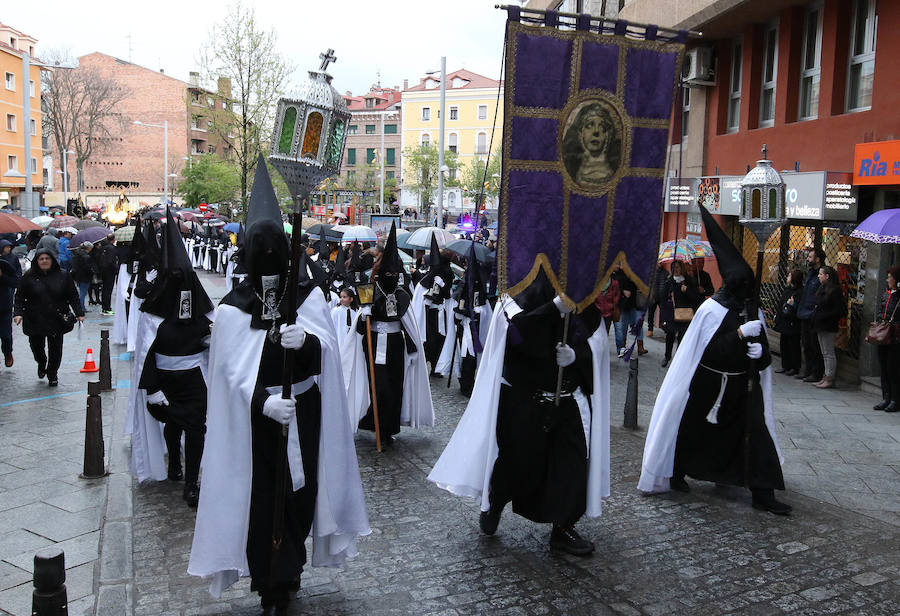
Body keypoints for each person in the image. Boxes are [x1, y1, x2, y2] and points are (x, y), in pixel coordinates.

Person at [188, 158, 369, 615]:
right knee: (261, 498)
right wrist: (260, 401)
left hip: (304, 413)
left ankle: (290, 571)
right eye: (260, 245)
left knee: (298, 494)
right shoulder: (232, 309)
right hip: (257, 427)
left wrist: (306, 341)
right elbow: (228, 375)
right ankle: (271, 583)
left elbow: (329, 351)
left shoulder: (307, 298)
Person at [428, 270, 610, 555]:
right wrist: (553, 309)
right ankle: (496, 502)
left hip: (569, 401)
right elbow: (515, 335)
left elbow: (595, 344)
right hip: (526, 401)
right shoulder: (516, 295)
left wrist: (577, 356)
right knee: (519, 466)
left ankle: (562, 528)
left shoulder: (585, 306)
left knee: (572, 465)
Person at [639, 206, 791, 516]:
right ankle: (677, 471)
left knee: (755, 433)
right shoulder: (711, 312)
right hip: (708, 385)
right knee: (693, 431)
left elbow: (761, 355)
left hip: (742, 386)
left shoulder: (753, 310)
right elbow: (703, 352)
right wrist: (737, 335)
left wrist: (759, 354)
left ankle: (763, 490)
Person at [134, 208, 213, 507]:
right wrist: (152, 389)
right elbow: (146, 354)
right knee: (173, 424)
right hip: (165, 380)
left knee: (196, 429)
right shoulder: (153, 314)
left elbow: (212, 339)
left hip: (193, 378)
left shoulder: (201, 308)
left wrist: (211, 339)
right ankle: (174, 465)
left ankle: (192, 481)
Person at [342, 224, 433, 447]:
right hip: (372, 346)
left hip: (394, 347)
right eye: (387, 273)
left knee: (393, 387)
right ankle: (373, 423)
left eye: (395, 273)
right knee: (376, 386)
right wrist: (364, 315)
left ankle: (388, 428)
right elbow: (359, 330)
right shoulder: (368, 291)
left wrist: (412, 350)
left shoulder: (401, 295)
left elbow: (408, 325)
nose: (391, 276)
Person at [12, 248, 85, 386]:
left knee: (56, 348)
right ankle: (41, 362)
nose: (44, 261)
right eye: (41, 259)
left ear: (52, 260)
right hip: (35, 318)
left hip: (56, 317)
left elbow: (73, 296)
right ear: (37, 261)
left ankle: (52, 373)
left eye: (47, 258)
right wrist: (18, 313)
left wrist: (79, 313)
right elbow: (20, 297)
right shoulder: (28, 277)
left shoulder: (63, 275)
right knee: (36, 346)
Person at [562, 102, 620, 185]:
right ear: (580, 133)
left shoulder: (614, 173)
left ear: (608, 135)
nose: (596, 131)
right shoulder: (571, 170)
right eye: (589, 125)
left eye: (602, 126)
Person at [812, 265, 845, 389]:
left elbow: (840, 310)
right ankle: (826, 376)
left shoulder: (834, 290)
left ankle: (830, 377)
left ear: (827, 276)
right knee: (824, 352)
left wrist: (824, 316)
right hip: (820, 324)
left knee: (828, 352)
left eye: (821, 274)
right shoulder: (822, 288)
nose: (819, 276)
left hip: (828, 325)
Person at [796, 248, 826, 383]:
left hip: (813, 313)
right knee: (806, 344)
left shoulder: (822, 274)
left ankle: (816, 372)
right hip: (804, 312)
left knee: (815, 345)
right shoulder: (810, 273)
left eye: (810, 256)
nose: (808, 259)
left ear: (817, 259)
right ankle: (807, 370)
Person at [659, 260, 697, 367]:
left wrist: (687, 291)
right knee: (670, 336)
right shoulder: (669, 281)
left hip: (684, 313)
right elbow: (663, 299)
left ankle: (679, 359)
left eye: (678, 267)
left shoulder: (688, 281)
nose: (676, 269)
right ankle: (667, 356)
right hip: (671, 314)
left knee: (682, 337)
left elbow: (695, 298)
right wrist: (662, 317)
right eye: (674, 267)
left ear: (682, 268)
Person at [874, 267, 900, 412]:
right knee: (883, 367)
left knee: (893, 369)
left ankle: (895, 399)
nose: (887, 279)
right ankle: (886, 397)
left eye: (890, 277)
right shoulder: (886, 294)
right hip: (882, 335)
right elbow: (880, 311)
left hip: (895, 337)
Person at [612, 261, 646, 357]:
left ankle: (640, 346)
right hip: (622, 304)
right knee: (622, 327)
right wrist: (623, 291)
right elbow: (615, 286)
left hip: (634, 303)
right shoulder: (616, 274)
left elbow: (636, 283)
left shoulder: (632, 272)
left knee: (638, 324)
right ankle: (622, 347)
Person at [774, 269, 803, 375]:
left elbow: (797, 306)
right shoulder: (787, 290)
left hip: (792, 321)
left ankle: (795, 367)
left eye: (789, 276)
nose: (787, 278)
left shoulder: (799, 292)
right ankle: (785, 365)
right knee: (784, 343)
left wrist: (792, 305)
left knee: (793, 344)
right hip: (784, 320)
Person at [0, 239, 21, 367]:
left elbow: (15, 281)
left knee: (6, 336)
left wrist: (2, 276)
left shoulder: (6, 263)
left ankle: (8, 353)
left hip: (4, 308)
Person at [95, 233, 118, 315]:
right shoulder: (111, 248)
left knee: (105, 290)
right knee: (108, 290)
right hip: (110, 272)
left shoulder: (102, 247)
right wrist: (116, 268)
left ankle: (104, 307)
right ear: (113, 239)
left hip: (103, 271)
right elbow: (111, 261)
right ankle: (107, 308)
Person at [71, 242, 96, 312]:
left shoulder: (77, 254)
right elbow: (87, 268)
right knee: (83, 293)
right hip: (84, 277)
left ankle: (81, 307)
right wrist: (92, 272)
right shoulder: (86, 257)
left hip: (78, 276)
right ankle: (81, 308)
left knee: (81, 292)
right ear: (88, 248)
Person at [646, 262, 669, 338]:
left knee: (664, 315)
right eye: (659, 261)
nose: (660, 263)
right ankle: (650, 329)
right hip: (653, 296)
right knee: (651, 313)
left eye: (661, 262)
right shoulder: (651, 272)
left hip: (663, 297)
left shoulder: (666, 273)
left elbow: (668, 284)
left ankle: (666, 330)